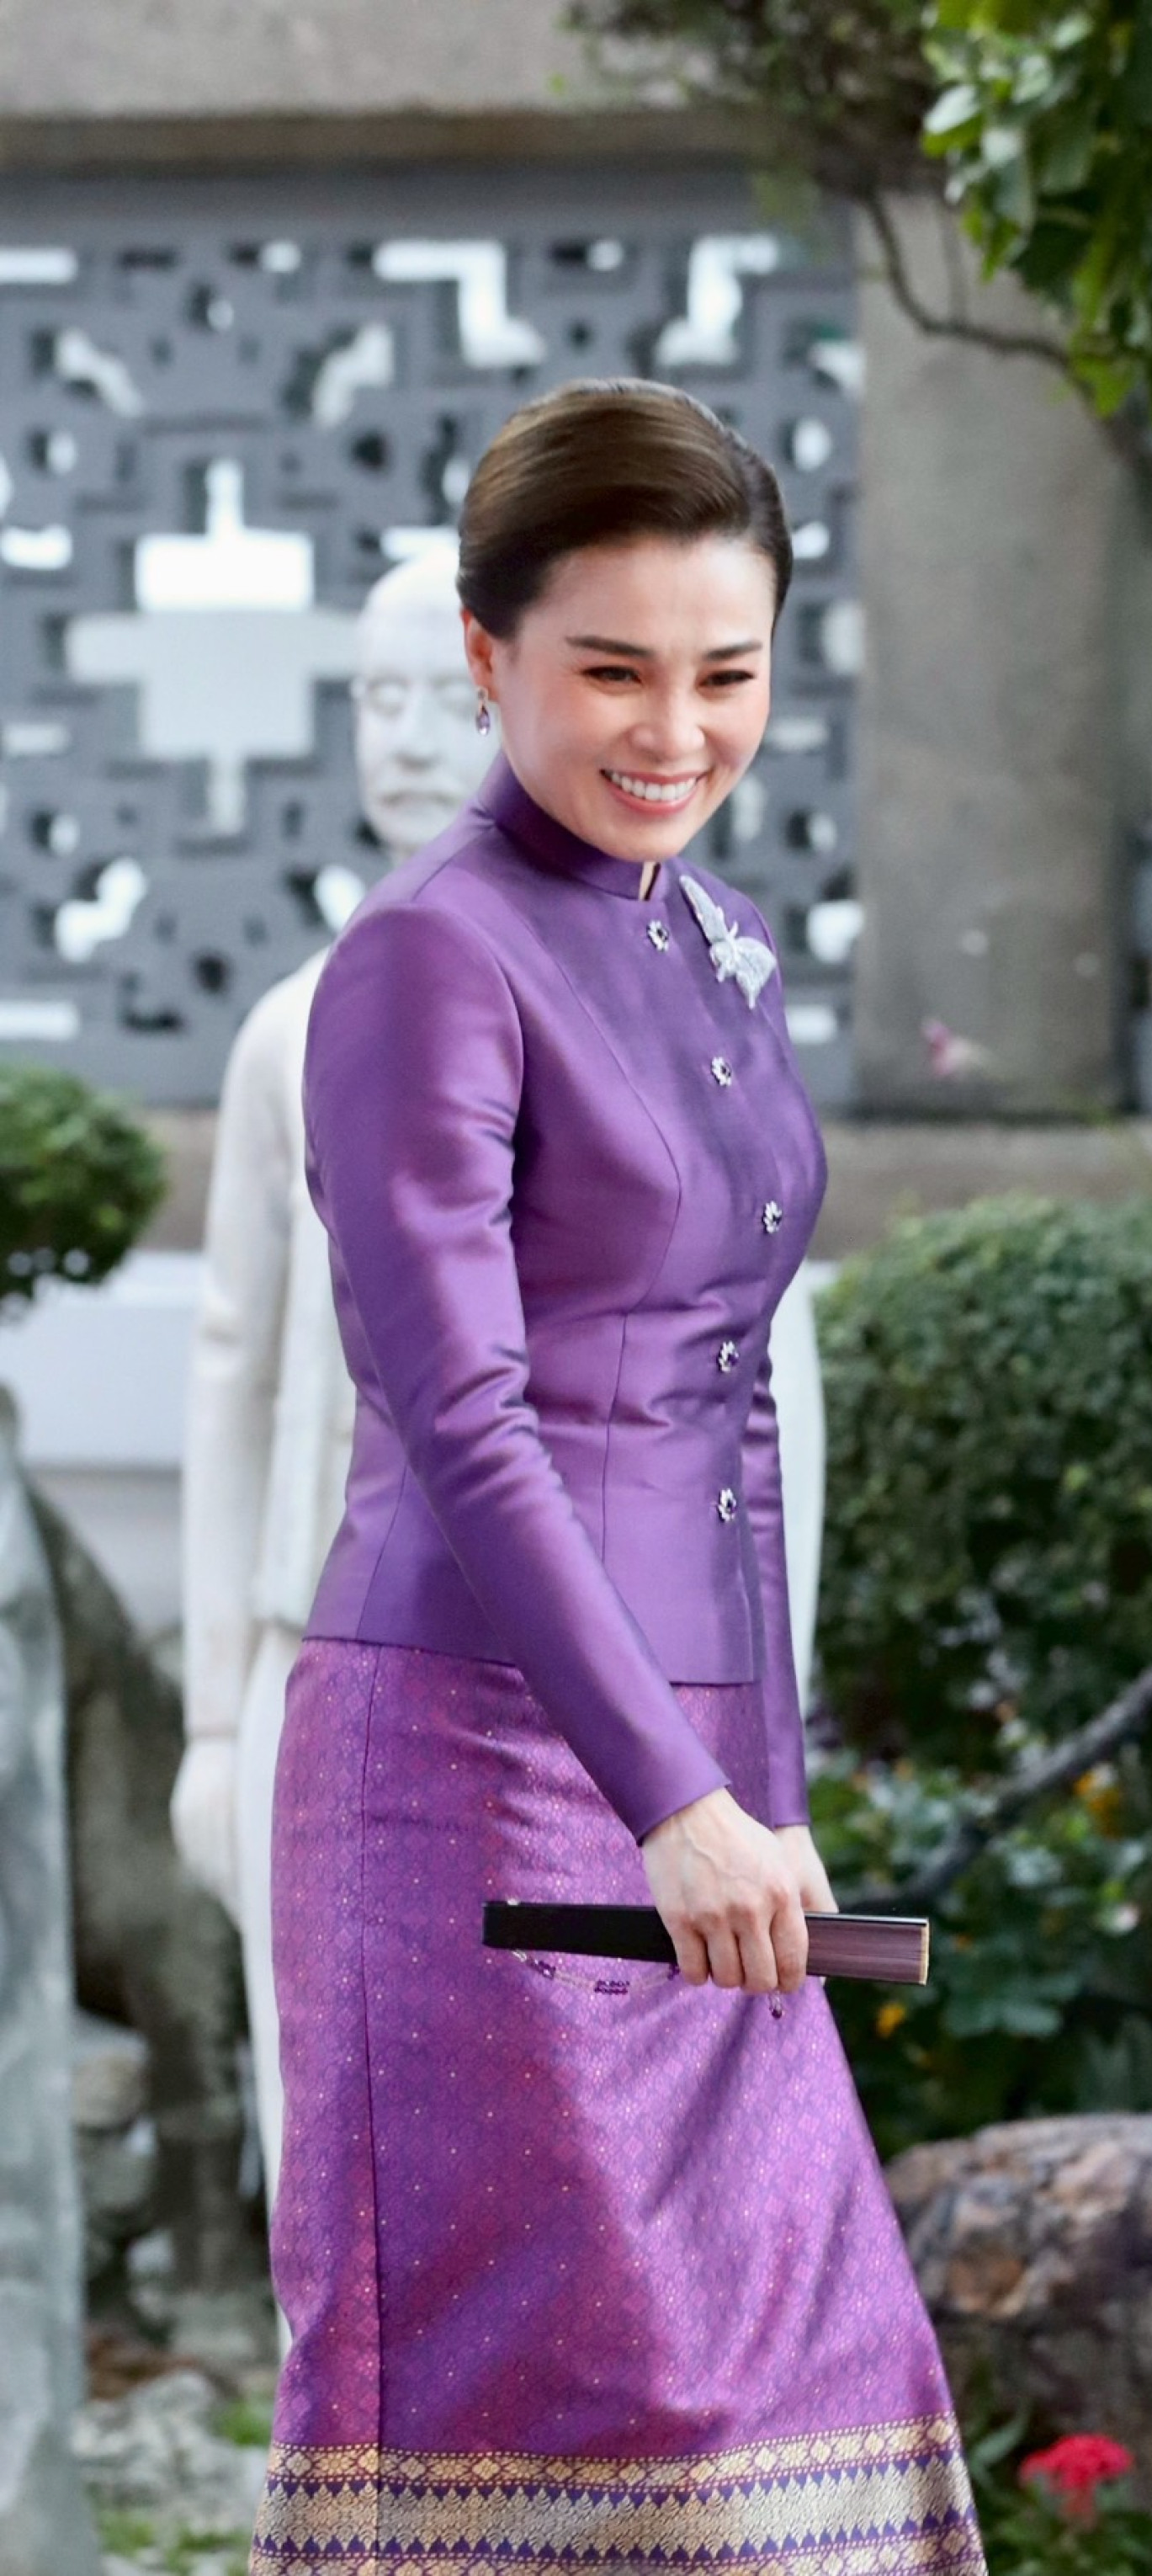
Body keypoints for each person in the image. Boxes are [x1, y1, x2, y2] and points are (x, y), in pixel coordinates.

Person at [248, 379, 984, 2573]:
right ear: (489, 657)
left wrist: (762, 1786)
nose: (677, 731)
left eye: (726, 673)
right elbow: (461, 1417)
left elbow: (734, 1390)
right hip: (476, 1773)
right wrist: (672, 1794)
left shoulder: (713, 938)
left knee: (793, 2404)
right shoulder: (428, 956)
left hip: (704, 1787)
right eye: (613, 671)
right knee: (586, 2425)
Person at [172, 544, 489, 2215]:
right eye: (379, 697)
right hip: (315, 1655)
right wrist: (216, 1718)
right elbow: (230, 1369)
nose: (410, 736)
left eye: (450, 696)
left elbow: (748, 1383)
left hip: (541, 1686)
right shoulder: (291, 1031)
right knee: (327, 2150)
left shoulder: (647, 1009)